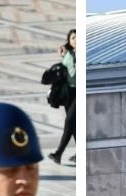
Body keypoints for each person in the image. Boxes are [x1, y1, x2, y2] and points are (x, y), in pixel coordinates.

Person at [47, 29, 76, 165]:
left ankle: (59, 153)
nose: (75, 40)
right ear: (69, 40)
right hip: (67, 92)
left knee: (69, 122)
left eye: (77, 37)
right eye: (73, 38)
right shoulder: (68, 54)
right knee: (74, 125)